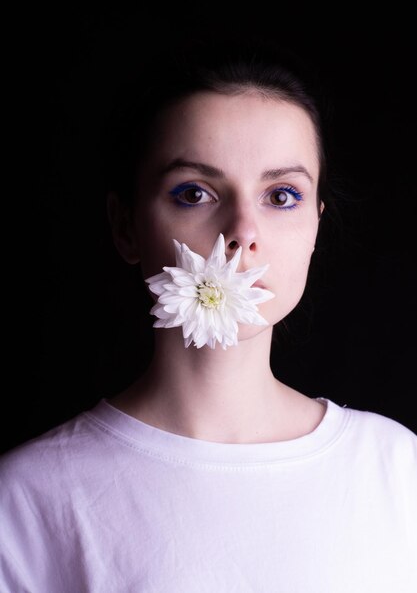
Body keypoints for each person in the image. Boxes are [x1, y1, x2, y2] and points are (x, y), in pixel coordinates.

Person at [1, 36, 416, 592]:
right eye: (194, 193)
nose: (243, 233)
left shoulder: (396, 470)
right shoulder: (27, 499)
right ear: (126, 226)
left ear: (316, 224)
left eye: (282, 196)